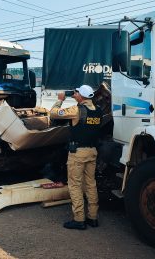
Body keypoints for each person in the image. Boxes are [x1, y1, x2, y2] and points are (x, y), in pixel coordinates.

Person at [50, 84, 102, 230]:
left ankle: (79, 219)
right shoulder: (98, 110)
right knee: (91, 184)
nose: (74, 94)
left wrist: (60, 100)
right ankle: (93, 217)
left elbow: (54, 113)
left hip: (78, 153)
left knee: (75, 185)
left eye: (76, 92)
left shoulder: (77, 110)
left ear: (82, 96)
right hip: (92, 152)